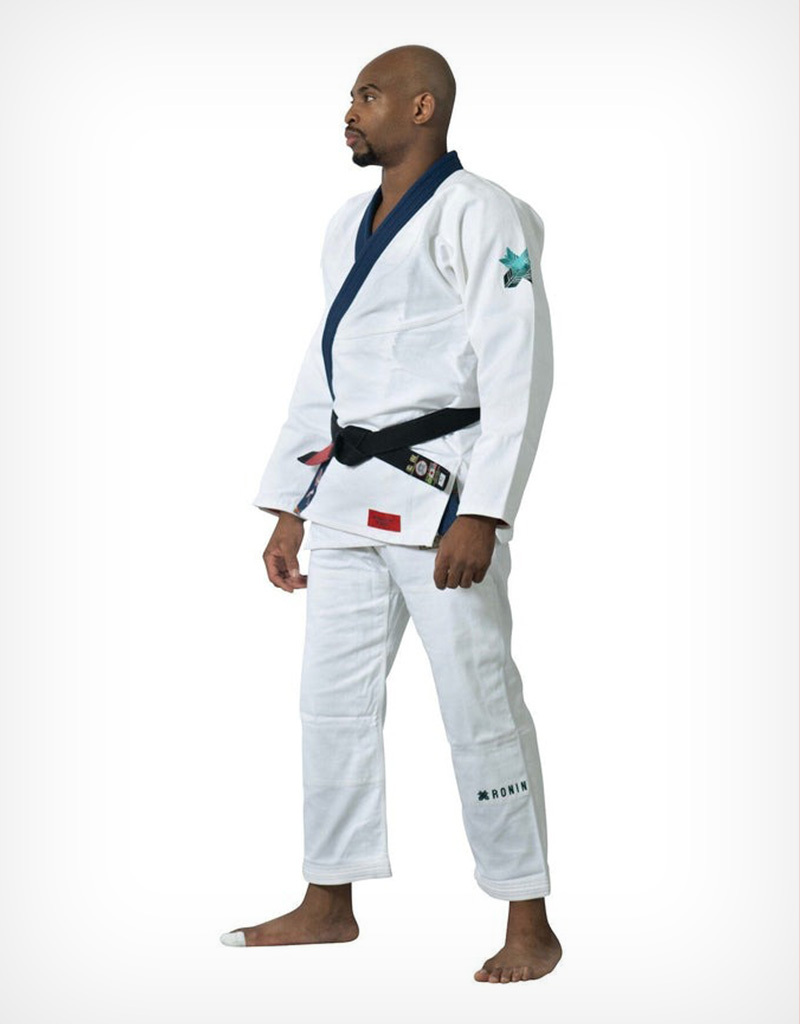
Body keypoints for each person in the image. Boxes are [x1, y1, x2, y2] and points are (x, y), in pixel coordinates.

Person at [220, 44, 562, 984]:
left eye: (368, 96)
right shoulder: (346, 222)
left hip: (442, 496)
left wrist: (485, 512)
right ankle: (328, 899)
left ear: (421, 108)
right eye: (350, 97)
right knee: (329, 706)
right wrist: (290, 503)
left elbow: (518, 367)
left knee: (479, 705)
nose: (350, 112)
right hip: (344, 498)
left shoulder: (480, 211)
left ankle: (528, 915)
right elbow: (324, 365)